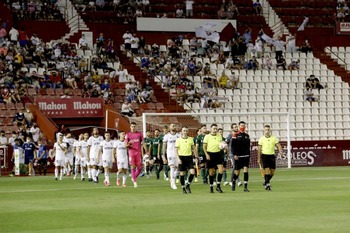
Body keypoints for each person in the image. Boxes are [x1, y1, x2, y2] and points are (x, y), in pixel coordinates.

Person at [257, 125, 283, 191]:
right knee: (267, 170)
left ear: (270, 130)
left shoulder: (274, 138)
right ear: (264, 131)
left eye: (268, 130)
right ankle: (267, 185)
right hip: (264, 156)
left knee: (272, 172)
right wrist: (259, 158)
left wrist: (280, 151)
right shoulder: (261, 139)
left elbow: (278, 146)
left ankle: (266, 181)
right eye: (266, 130)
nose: (267, 131)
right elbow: (259, 149)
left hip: (272, 156)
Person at [203, 124, 225, 193]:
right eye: (214, 128)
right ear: (211, 129)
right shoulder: (207, 136)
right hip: (210, 154)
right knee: (211, 172)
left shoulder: (219, 136)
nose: (215, 130)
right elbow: (204, 147)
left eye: (216, 128)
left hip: (218, 154)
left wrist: (223, 147)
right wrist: (206, 154)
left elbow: (221, 145)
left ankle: (218, 186)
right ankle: (211, 186)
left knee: (221, 170)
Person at [175, 126, 197, 194]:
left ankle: (188, 185)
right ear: (181, 131)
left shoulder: (191, 139)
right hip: (181, 157)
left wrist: (196, 157)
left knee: (193, 172)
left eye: (186, 130)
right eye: (184, 130)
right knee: (182, 174)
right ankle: (183, 188)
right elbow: (176, 150)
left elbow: (194, 148)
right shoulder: (178, 140)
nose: (185, 132)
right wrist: (178, 159)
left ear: (188, 131)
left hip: (189, 157)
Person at [231, 121, 251, 192]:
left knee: (246, 170)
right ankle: (233, 181)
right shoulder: (235, 135)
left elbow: (248, 147)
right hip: (238, 156)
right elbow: (233, 146)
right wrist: (234, 154)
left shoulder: (247, 136)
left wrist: (249, 156)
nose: (243, 127)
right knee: (237, 172)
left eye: (244, 126)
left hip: (245, 156)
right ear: (239, 126)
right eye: (241, 126)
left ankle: (245, 187)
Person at [125, 122, 144, 188]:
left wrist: (146, 151)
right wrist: (129, 144)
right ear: (130, 127)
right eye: (132, 126)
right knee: (132, 167)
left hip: (138, 153)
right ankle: (135, 183)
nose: (133, 128)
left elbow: (143, 143)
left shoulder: (139, 134)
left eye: (134, 126)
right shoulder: (127, 135)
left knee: (140, 168)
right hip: (131, 153)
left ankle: (134, 177)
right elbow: (126, 145)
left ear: (136, 127)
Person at [162, 123, 180, 190]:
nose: (174, 127)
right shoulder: (166, 136)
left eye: (174, 126)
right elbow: (164, 146)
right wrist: (163, 155)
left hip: (177, 154)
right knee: (172, 167)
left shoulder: (179, 136)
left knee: (179, 168)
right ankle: (173, 183)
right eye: (172, 126)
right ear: (169, 128)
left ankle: (172, 178)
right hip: (170, 154)